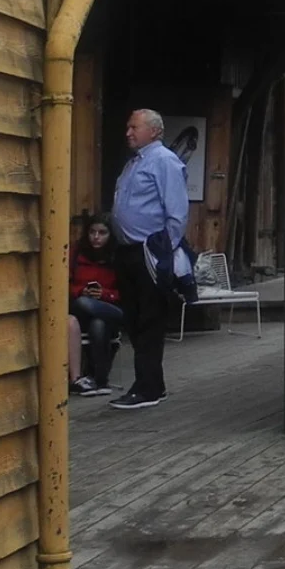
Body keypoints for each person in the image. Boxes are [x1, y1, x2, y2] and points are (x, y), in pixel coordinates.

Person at [110, 107, 189, 411]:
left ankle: (148, 388)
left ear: (154, 131)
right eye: (128, 127)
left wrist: (162, 251)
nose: (128, 133)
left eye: (134, 127)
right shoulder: (135, 163)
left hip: (149, 250)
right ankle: (150, 383)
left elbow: (177, 212)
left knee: (149, 320)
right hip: (128, 249)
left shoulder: (165, 161)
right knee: (133, 318)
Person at [68, 214, 123, 396]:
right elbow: (62, 283)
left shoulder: (117, 256)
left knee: (99, 323)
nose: (96, 237)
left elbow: (126, 291)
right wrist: (80, 291)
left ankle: (98, 379)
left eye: (102, 233)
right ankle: (98, 380)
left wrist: (105, 294)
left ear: (110, 235)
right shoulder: (75, 253)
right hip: (80, 308)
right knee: (85, 305)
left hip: (108, 308)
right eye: (92, 232)